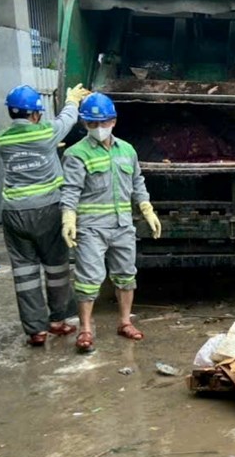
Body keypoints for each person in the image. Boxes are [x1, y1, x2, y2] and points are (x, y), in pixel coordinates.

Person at [60, 92, 162, 352]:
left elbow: (137, 182)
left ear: (113, 121)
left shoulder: (127, 150)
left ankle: (125, 322)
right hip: (92, 227)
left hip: (122, 226)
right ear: (84, 124)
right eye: (91, 124)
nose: (97, 128)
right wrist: (68, 216)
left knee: (126, 275)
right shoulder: (76, 154)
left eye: (102, 123)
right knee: (88, 279)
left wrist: (147, 208)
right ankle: (85, 329)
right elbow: (70, 189)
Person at [0, 83, 88, 346]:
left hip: (13, 213)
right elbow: (68, 120)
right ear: (36, 114)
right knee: (57, 266)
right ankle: (58, 320)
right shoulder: (45, 133)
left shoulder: (3, 139)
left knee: (24, 273)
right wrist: (72, 100)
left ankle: (36, 330)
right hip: (46, 210)